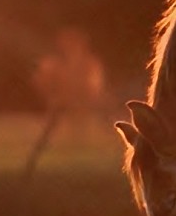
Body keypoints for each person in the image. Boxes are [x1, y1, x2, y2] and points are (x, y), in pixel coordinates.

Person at [23, 28, 110, 180]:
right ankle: (33, 159)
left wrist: (89, 96)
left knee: (102, 119)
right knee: (49, 129)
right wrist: (54, 94)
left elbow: (94, 84)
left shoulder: (88, 63)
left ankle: (113, 147)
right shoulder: (56, 63)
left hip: (80, 99)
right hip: (64, 101)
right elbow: (41, 80)